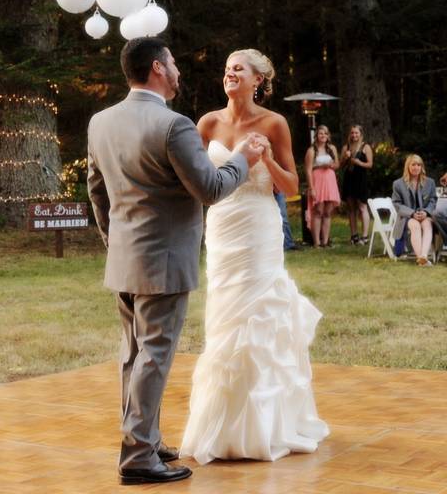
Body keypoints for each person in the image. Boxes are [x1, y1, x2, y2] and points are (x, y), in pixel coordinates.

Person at [87, 38, 266, 486]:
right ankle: (139, 459)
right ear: (157, 69)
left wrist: (116, 240)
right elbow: (209, 188)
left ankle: (145, 438)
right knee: (154, 357)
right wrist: (243, 159)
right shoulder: (174, 125)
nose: (179, 71)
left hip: (126, 259)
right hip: (164, 261)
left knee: (133, 356)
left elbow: (96, 189)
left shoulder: (100, 122)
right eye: (173, 63)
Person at [180, 48, 329, 464]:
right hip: (224, 228)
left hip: (260, 228)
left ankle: (267, 425)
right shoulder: (208, 122)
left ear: (258, 79)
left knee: (261, 316)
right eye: (227, 68)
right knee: (224, 317)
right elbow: (193, 177)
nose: (230, 73)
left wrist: (262, 158)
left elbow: (292, 187)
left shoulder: (274, 123)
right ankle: (220, 422)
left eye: (238, 68)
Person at [391, 154, 438, 266]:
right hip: (407, 217)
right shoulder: (398, 184)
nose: (416, 167)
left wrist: (426, 212)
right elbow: (396, 204)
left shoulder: (430, 182)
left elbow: (433, 200)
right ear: (408, 166)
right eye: (413, 164)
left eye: (419, 165)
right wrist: (412, 213)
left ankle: (424, 257)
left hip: (425, 215)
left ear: (422, 167)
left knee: (427, 224)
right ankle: (420, 258)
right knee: (415, 225)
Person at [304, 125, 341, 247]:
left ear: (328, 136)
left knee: (328, 212)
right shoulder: (311, 151)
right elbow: (308, 170)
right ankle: (316, 242)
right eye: (321, 133)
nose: (323, 136)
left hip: (330, 180)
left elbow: (337, 165)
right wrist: (311, 188)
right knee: (318, 211)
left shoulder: (332, 148)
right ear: (317, 136)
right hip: (317, 180)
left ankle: (325, 241)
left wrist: (330, 165)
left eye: (325, 133)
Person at [339, 125, 373, 244]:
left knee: (362, 207)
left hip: (361, 179)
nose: (354, 135)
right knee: (351, 208)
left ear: (361, 134)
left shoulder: (365, 147)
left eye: (356, 133)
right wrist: (345, 157)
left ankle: (365, 236)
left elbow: (370, 165)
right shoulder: (346, 147)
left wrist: (359, 162)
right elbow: (340, 165)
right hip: (349, 179)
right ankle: (354, 235)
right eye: (352, 133)